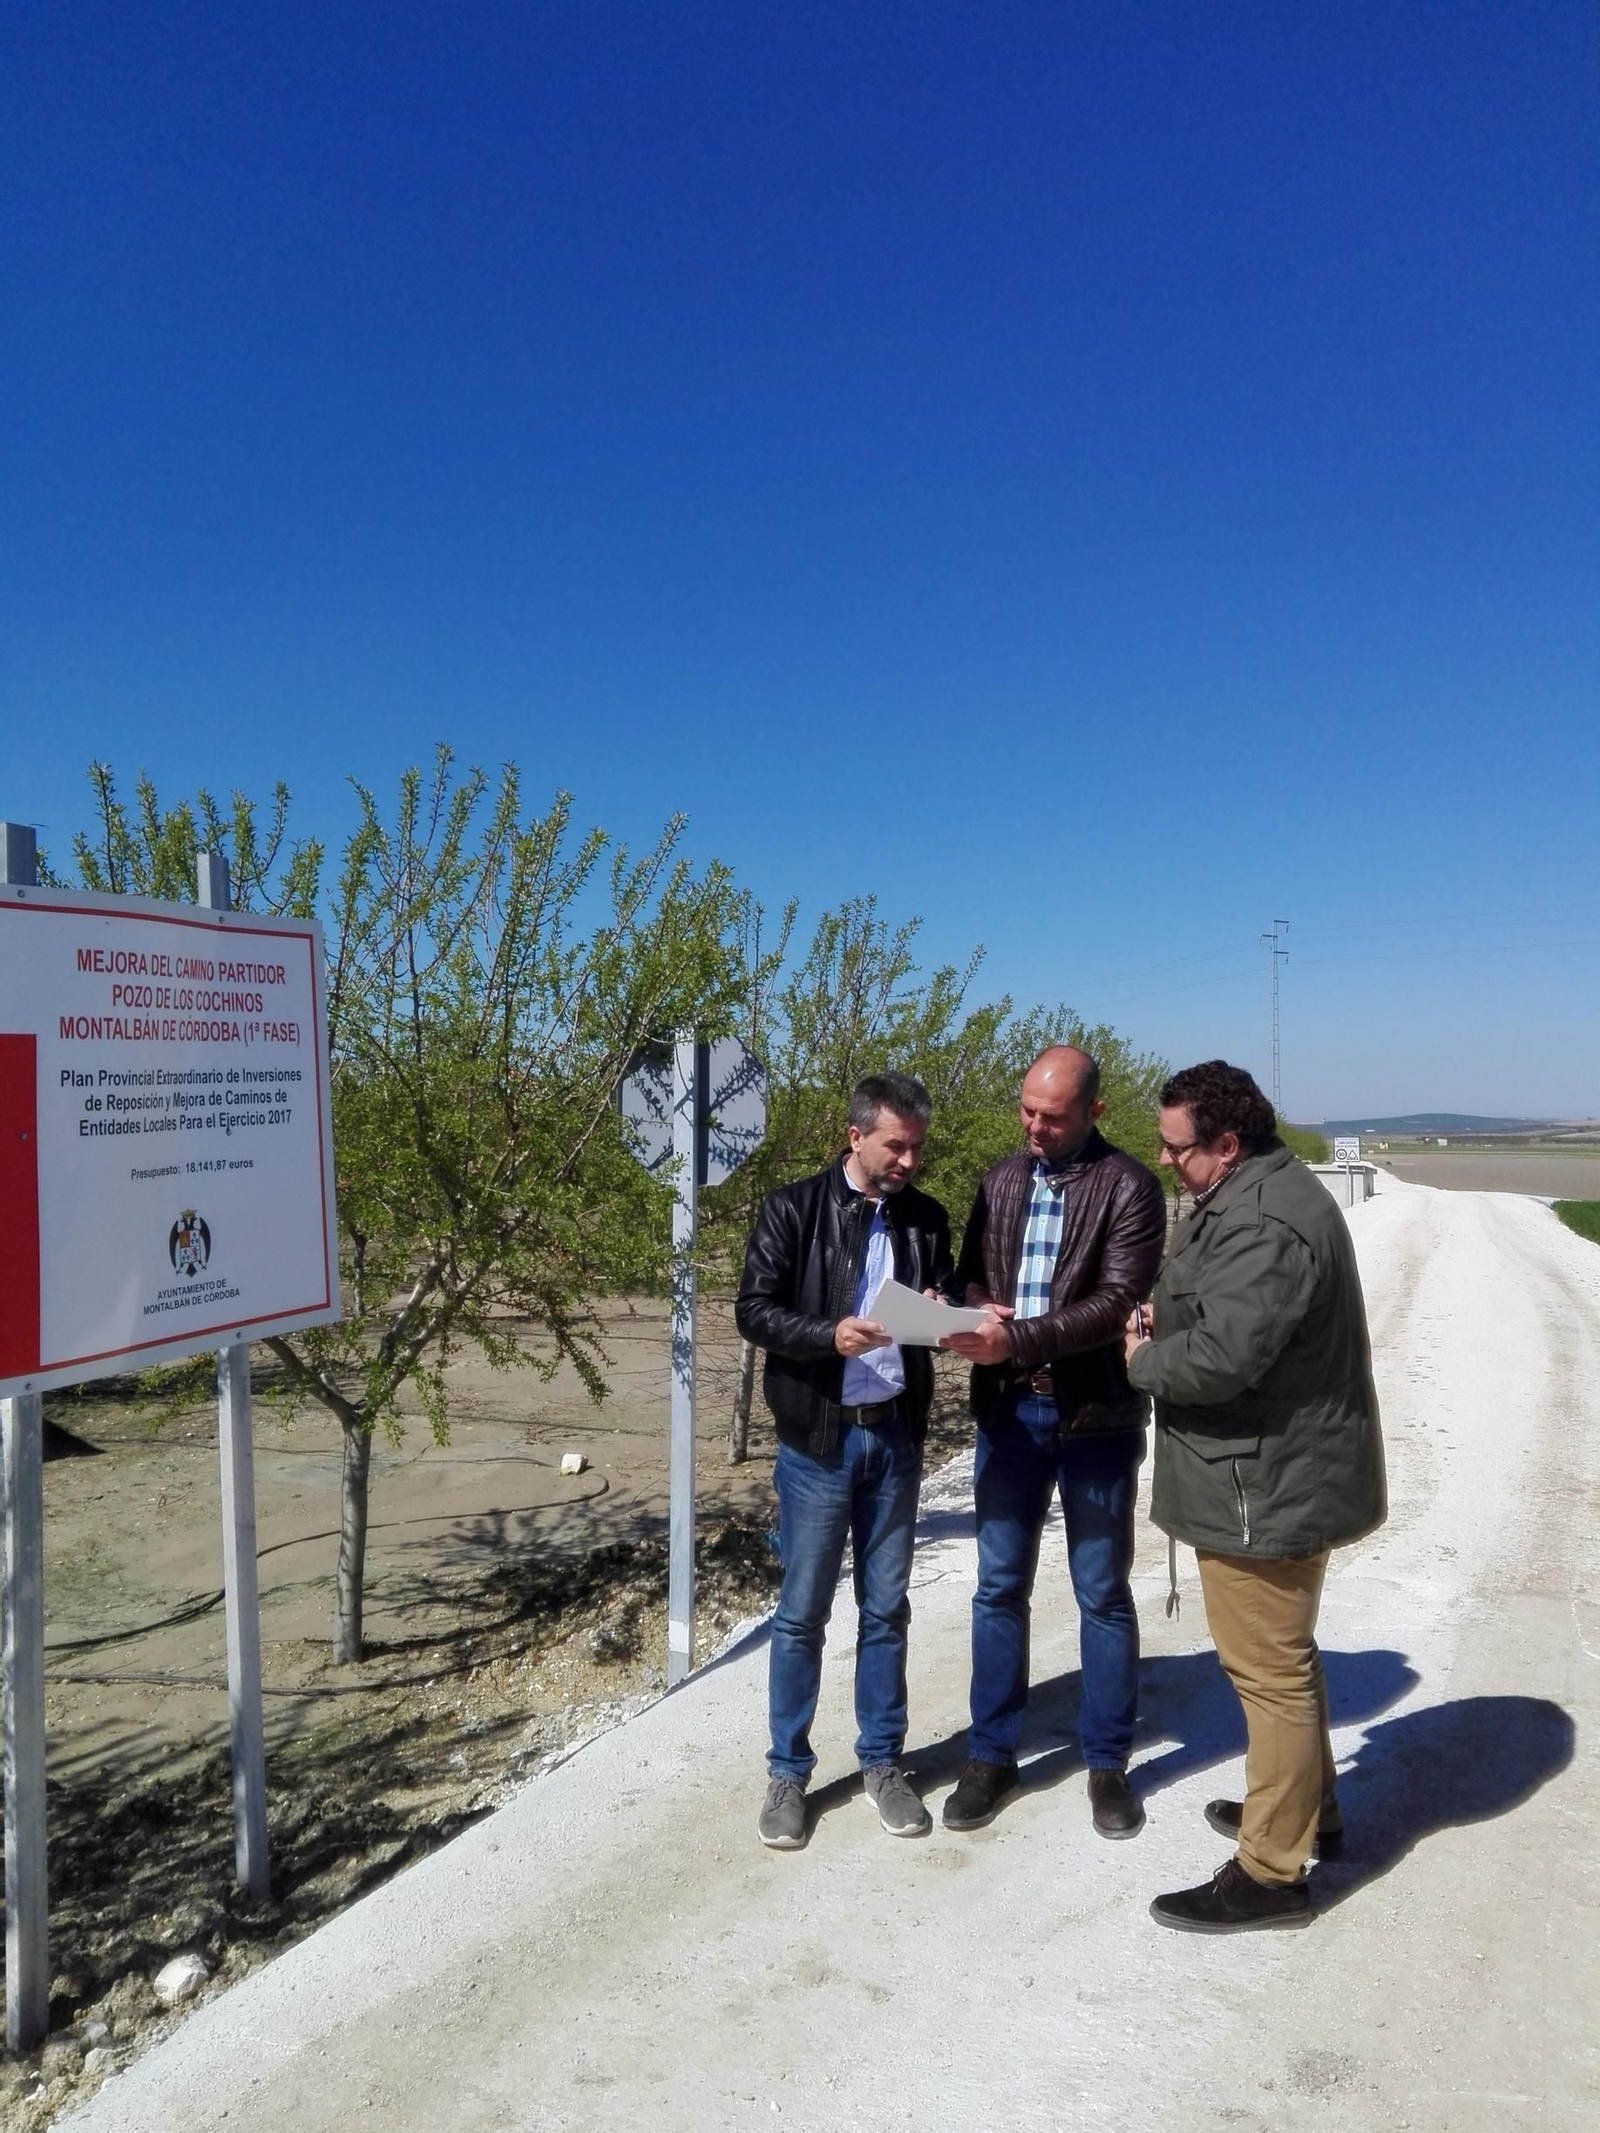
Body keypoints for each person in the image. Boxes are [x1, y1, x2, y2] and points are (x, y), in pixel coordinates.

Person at [1124, 1060, 1386, 1932]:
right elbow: (1232, 1317)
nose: (1166, 1161)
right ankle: (1308, 1810)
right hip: (1269, 1468)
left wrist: (1141, 1359)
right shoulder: (1260, 1193)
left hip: (1260, 1479)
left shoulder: (1268, 1219)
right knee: (1289, 1659)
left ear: (1226, 1144)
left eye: (1176, 1148)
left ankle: (1272, 1872)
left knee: (1267, 1673)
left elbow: (1223, 1359)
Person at [938, 1045, 1166, 1838]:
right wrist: (972, 1311)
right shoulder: (1001, 1178)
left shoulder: (1131, 1186)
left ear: (1094, 1113)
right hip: (1008, 1412)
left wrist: (1021, 1338)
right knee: (998, 1584)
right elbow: (971, 1273)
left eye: (1054, 1116)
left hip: (1095, 1416)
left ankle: (1107, 1762)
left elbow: (1115, 1302)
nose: (1036, 1127)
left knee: (1101, 1590)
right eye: (1028, 1111)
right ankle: (992, 1754)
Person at [736, 1072, 953, 1852]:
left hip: (895, 1438)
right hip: (818, 1443)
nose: (908, 1160)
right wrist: (828, 1334)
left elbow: (941, 1298)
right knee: (801, 1617)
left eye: (917, 1147)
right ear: (855, 1134)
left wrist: (943, 1309)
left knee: (886, 1609)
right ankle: (788, 1772)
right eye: (897, 1144)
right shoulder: (792, 1207)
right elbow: (753, 1308)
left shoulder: (927, 1217)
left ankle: (883, 1764)